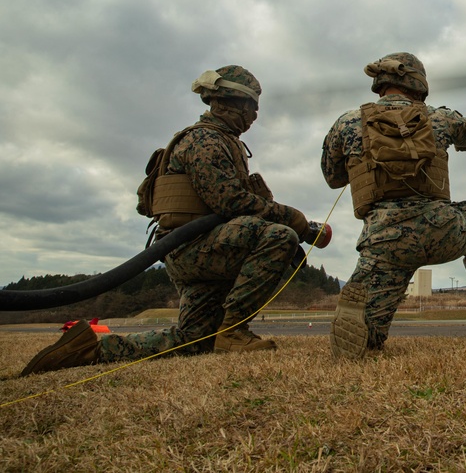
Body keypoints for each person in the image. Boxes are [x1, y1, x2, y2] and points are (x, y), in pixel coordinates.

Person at [21, 65, 315, 376]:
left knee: (192, 340)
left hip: (199, 249)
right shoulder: (205, 140)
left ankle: (88, 349)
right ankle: (233, 334)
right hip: (196, 248)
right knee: (280, 237)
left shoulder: (222, 141)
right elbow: (229, 201)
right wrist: (290, 216)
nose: (254, 116)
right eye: (251, 107)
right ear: (230, 102)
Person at [321, 52, 466, 359]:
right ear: (419, 84)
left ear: (379, 83)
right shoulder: (438, 117)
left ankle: (365, 319)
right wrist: (448, 122)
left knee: (368, 337)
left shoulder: (347, 122)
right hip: (440, 229)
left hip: (384, 242)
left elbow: (332, 178)